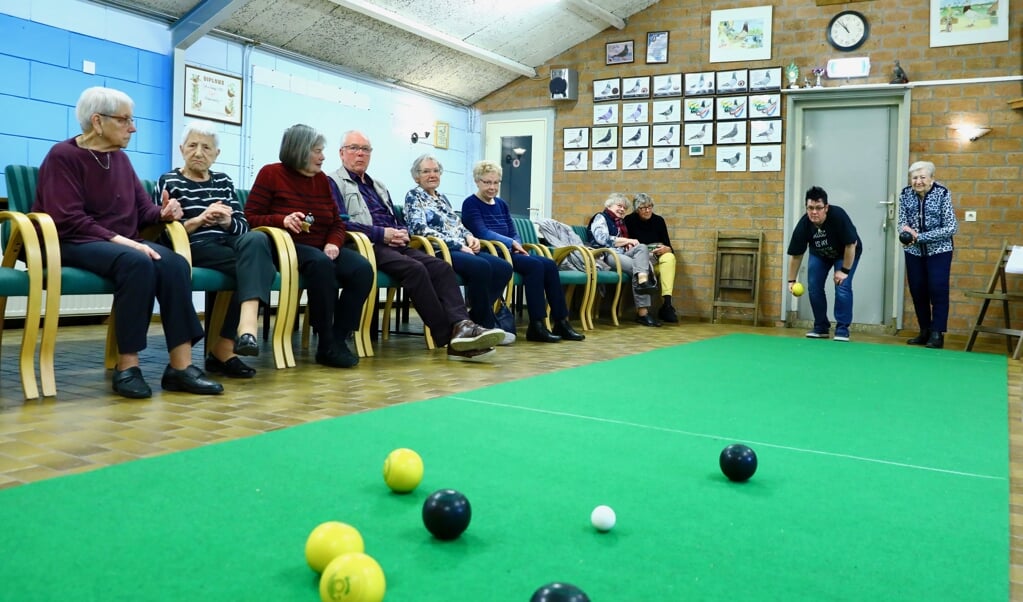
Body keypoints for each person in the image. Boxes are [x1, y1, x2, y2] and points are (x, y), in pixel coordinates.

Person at [32, 86, 223, 398]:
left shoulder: (119, 159)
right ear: (97, 121)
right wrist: (127, 242)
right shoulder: (63, 156)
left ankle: (180, 367)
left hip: (116, 244)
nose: (132, 127)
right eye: (125, 120)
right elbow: (67, 220)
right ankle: (127, 366)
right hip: (71, 242)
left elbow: (142, 209)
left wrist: (164, 213)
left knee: (174, 263)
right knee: (137, 261)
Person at [327, 130, 506, 361]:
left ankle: (463, 324)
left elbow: (395, 218)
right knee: (416, 270)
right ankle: (450, 337)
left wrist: (401, 231)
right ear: (342, 153)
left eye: (365, 149)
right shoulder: (333, 182)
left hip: (396, 243)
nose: (360, 154)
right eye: (354, 148)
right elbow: (341, 223)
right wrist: (382, 233)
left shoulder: (378, 185)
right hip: (366, 245)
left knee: (441, 268)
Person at [245, 124, 373, 368]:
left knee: (362, 269)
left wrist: (334, 243)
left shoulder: (322, 181)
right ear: (299, 151)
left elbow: (337, 222)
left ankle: (338, 337)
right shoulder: (271, 174)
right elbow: (250, 217)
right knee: (320, 264)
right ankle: (325, 341)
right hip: (285, 248)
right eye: (317, 151)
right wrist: (280, 220)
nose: (323, 156)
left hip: (321, 247)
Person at [158, 120, 276, 379]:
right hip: (195, 246)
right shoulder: (169, 180)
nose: (199, 153)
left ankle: (240, 334)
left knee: (258, 242)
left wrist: (227, 221)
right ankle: (228, 345)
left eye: (207, 148)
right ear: (181, 148)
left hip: (228, 244)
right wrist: (200, 219)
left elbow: (243, 227)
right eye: (192, 146)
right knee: (256, 268)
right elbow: (164, 234)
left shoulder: (223, 180)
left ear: (216, 154)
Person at [460, 160, 586, 343]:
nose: (492, 187)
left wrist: (517, 244)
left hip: (509, 251)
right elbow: (481, 232)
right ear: (477, 181)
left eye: (496, 183)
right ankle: (537, 325)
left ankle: (561, 321)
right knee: (535, 266)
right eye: (487, 182)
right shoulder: (470, 204)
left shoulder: (501, 204)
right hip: (492, 253)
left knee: (550, 265)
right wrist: (511, 243)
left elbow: (512, 230)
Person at [403, 154, 515, 345]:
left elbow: (458, 225)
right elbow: (418, 229)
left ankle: (475, 318)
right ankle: (485, 323)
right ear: (416, 177)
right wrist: (457, 244)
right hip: (439, 250)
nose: (432, 175)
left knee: (503, 268)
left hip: (462, 247)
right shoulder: (414, 196)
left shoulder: (442, 198)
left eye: (436, 171)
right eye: (426, 171)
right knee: (481, 267)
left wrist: (470, 236)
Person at [786, 186, 863, 342]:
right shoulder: (804, 225)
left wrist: (844, 271)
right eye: (810, 208)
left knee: (842, 286)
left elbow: (851, 245)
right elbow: (796, 255)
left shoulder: (838, 216)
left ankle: (842, 329)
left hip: (846, 253)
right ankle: (821, 327)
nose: (814, 212)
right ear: (806, 208)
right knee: (814, 286)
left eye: (819, 208)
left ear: (826, 208)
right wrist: (791, 281)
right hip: (820, 254)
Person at [898, 161, 958, 349]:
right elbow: (902, 220)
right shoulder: (905, 194)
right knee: (917, 290)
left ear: (932, 178)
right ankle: (924, 330)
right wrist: (905, 230)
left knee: (937, 289)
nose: (918, 181)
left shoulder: (942, 193)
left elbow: (951, 227)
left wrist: (920, 237)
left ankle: (937, 333)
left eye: (922, 177)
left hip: (939, 251)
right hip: (913, 251)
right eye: (915, 178)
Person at [588, 193, 662, 327]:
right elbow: (602, 239)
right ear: (609, 205)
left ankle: (643, 279)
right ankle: (643, 314)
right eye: (619, 206)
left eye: (624, 207)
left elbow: (622, 242)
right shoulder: (601, 217)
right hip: (606, 255)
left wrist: (627, 243)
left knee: (642, 248)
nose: (622, 209)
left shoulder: (619, 223)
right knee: (638, 269)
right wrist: (626, 240)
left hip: (621, 253)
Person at [623, 193, 679, 323]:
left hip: (657, 258)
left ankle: (667, 304)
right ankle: (643, 312)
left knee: (669, 257)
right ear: (637, 209)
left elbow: (669, 245)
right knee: (642, 257)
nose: (648, 210)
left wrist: (666, 249)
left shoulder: (659, 220)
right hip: (640, 259)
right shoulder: (629, 220)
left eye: (650, 207)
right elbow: (629, 245)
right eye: (643, 208)